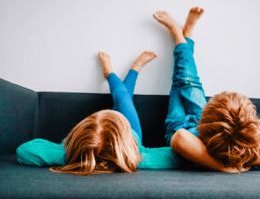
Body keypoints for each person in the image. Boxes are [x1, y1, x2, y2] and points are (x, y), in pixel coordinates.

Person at [153, 7, 260, 173]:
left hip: (180, 127)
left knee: (180, 83)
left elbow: (180, 136)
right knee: (187, 81)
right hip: (210, 127)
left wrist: (220, 166)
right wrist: (237, 161)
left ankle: (181, 36)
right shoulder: (244, 151)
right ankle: (183, 37)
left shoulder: (184, 138)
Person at [16, 51, 183, 176]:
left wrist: (72, 157)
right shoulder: (136, 157)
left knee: (123, 98)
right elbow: (177, 156)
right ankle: (132, 69)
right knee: (123, 99)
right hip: (131, 136)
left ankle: (111, 72)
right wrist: (131, 158)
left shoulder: (70, 154)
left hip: (104, 147)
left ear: (76, 137)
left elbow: (25, 150)